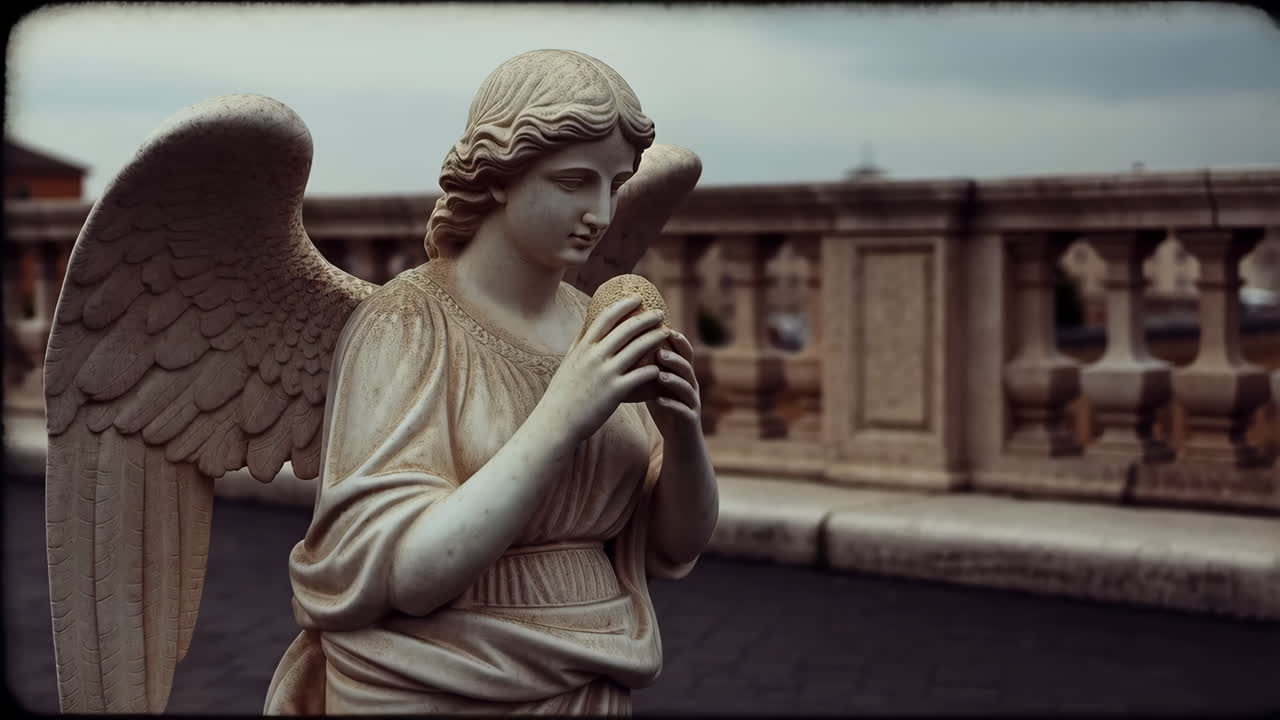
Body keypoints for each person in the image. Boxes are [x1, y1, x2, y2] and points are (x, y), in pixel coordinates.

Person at [263, 49, 719, 715]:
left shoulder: (587, 322)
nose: (600, 212)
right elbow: (413, 577)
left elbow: (673, 547)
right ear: (499, 175)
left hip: (596, 667)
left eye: (614, 185)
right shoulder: (407, 324)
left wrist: (682, 435)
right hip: (438, 679)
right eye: (572, 182)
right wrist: (565, 412)